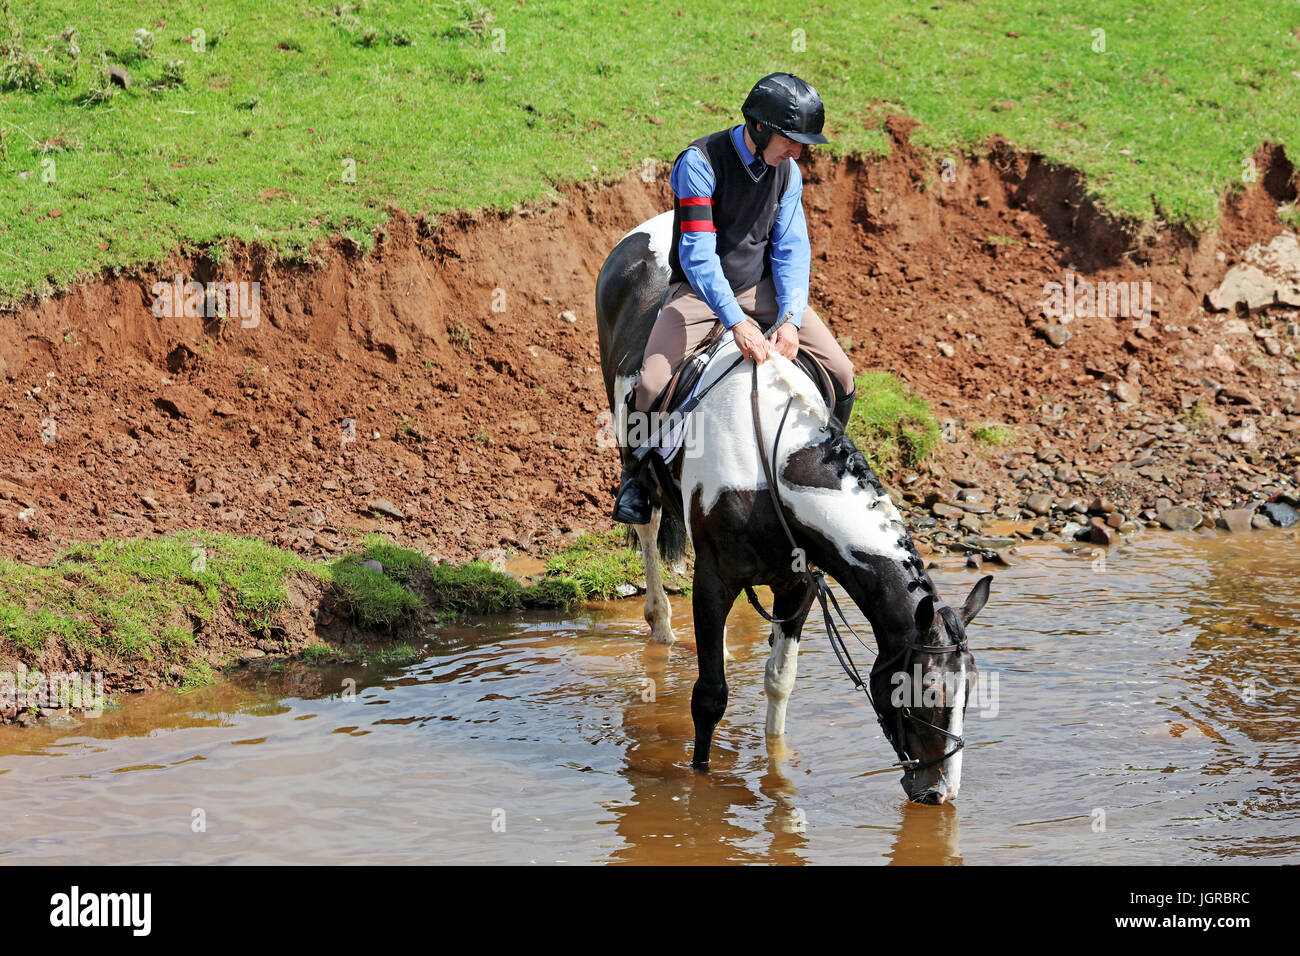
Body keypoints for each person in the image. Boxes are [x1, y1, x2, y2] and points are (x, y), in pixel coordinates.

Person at [612, 72, 856, 525]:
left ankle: (832, 461)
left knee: (842, 371)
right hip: (701, 294)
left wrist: (787, 317)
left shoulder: (788, 172)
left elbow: (791, 249)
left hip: (760, 289)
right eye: (791, 140)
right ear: (760, 127)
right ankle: (635, 479)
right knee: (649, 385)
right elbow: (699, 256)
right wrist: (736, 322)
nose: (798, 152)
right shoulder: (698, 163)